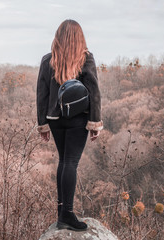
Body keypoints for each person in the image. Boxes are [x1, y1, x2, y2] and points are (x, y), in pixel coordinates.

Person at [36, 19, 103, 231]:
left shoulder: (48, 60)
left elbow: (41, 95)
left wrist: (43, 124)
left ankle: (62, 211)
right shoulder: (86, 59)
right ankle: (67, 214)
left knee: (64, 161)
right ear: (79, 38)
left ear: (58, 37)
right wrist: (94, 123)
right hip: (78, 119)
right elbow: (94, 92)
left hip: (55, 120)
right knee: (70, 163)